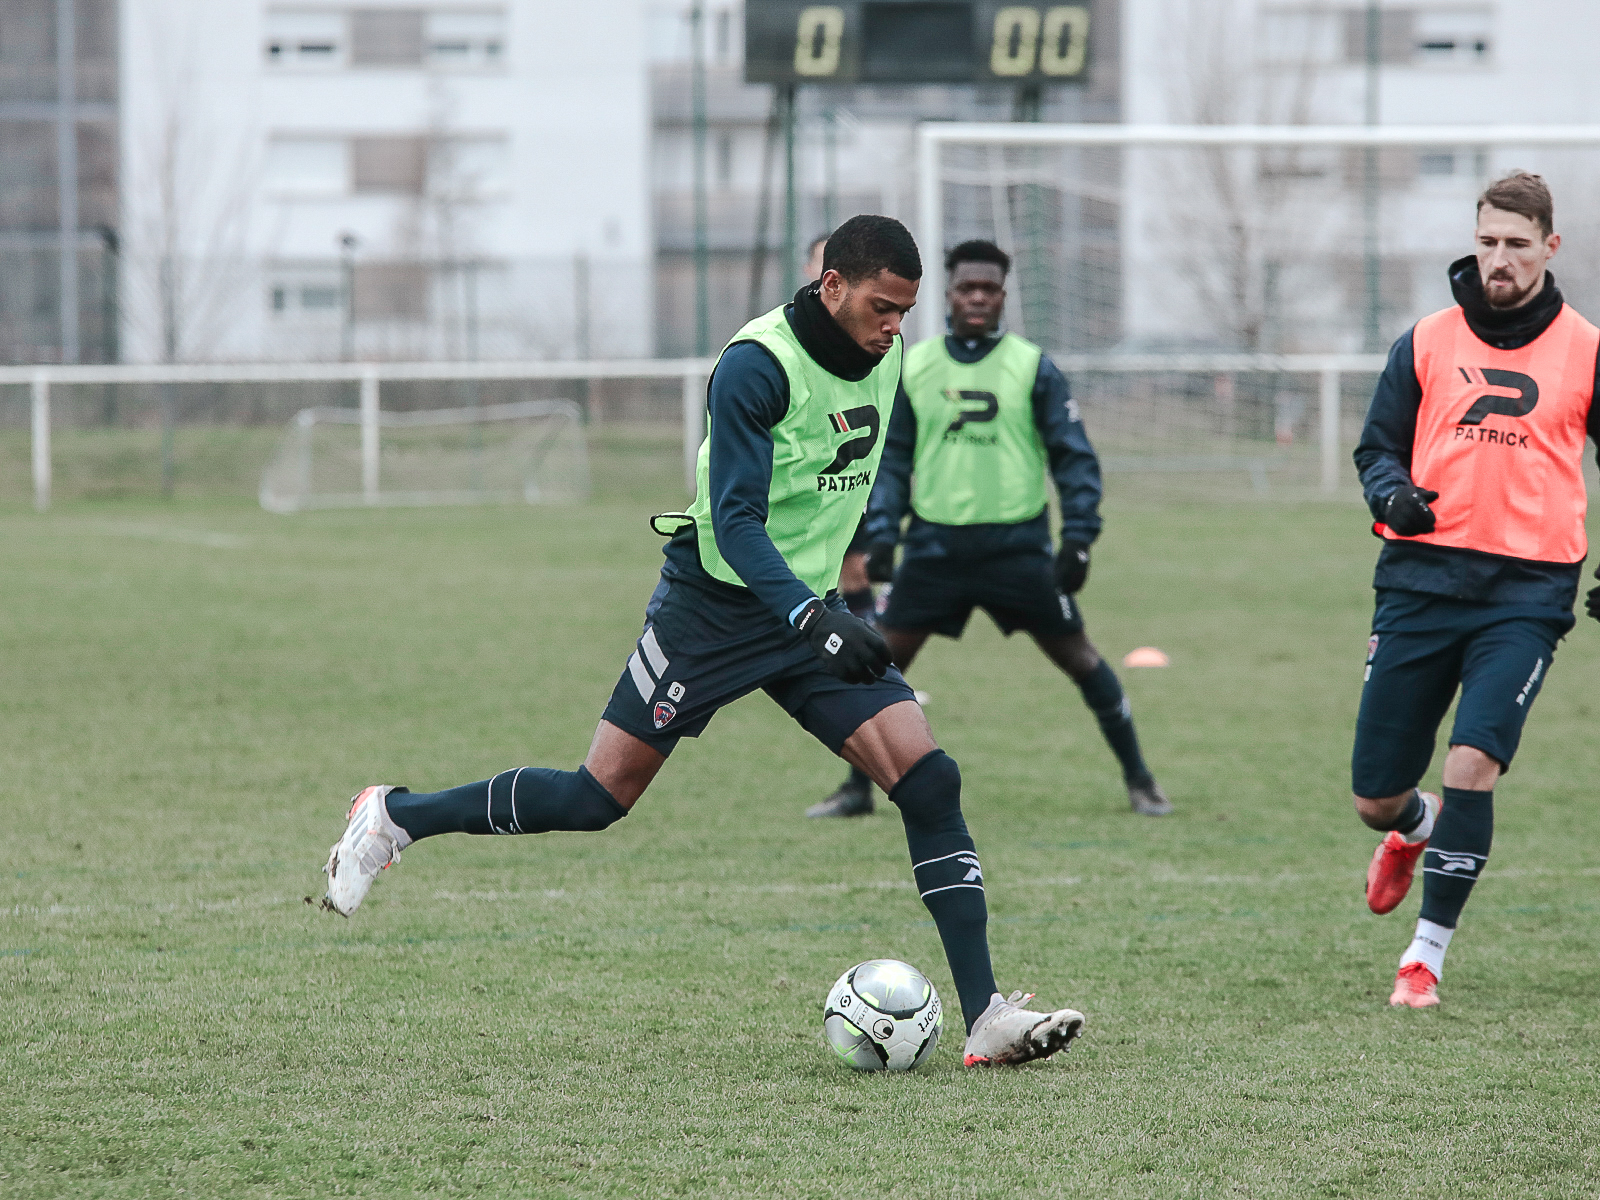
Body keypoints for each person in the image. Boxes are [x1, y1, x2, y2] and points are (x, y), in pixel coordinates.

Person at [318, 215, 1087, 1066]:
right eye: (881, 306)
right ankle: (395, 815)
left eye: (906, 311)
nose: (895, 326)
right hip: (712, 611)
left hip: (809, 611)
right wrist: (812, 617)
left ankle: (985, 1017)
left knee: (929, 779)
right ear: (832, 286)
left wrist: (843, 596)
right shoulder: (755, 368)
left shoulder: (889, 351)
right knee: (595, 799)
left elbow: (848, 481)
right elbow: (735, 521)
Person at [1353, 173, 1600, 1008]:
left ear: (1549, 249)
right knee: (1372, 796)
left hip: (1527, 595)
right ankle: (1412, 826)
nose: (1499, 259)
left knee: (1473, 760)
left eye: (1517, 244)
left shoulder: (1586, 349)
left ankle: (1425, 955)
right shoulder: (1425, 340)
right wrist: (1391, 496)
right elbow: (1376, 449)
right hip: (1419, 584)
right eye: (1489, 240)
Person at [815, 238, 1169, 818]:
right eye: (966, 288)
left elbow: (1073, 457)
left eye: (989, 289)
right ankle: (856, 790)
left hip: (1018, 551)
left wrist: (1078, 538)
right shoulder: (915, 364)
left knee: (1082, 660)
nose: (977, 298)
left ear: (1003, 296)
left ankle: (1141, 779)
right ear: (948, 295)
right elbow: (891, 460)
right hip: (934, 551)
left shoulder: (1032, 367)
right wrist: (882, 533)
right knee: (876, 666)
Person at [801, 229, 892, 818]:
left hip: (846, 494)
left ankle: (869, 658)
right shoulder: (779, 346)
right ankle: (863, 653)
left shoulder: (879, 349)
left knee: (854, 571)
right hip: (802, 503)